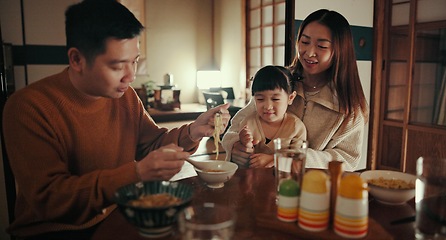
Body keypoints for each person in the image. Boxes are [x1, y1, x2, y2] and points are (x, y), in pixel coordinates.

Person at [2, 0, 230, 238]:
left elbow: (151, 145)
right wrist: (137, 174)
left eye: (134, 61)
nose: (130, 76)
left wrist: (193, 131)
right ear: (77, 60)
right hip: (53, 230)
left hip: (116, 215)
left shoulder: (125, 97)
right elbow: (51, 199)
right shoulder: (28, 107)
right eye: (118, 66)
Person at [222, 9, 369, 171]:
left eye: (321, 46)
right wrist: (236, 147)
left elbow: (347, 159)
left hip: (312, 187)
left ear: (339, 52)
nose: (309, 52)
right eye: (305, 42)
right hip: (257, 181)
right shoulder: (280, 81)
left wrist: (288, 160)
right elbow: (237, 127)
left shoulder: (348, 106)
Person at [235, 65, 306, 168]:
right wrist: (245, 145)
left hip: (283, 181)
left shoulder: (296, 127)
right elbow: (241, 163)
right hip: (253, 180)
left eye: (275, 99)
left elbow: (297, 161)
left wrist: (274, 159)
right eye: (260, 99)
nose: (268, 106)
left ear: (290, 98)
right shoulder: (248, 123)